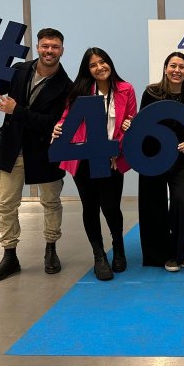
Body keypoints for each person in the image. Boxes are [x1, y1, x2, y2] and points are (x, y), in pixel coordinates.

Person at [0, 28, 72, 283]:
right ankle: (10, 255)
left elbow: (52, 123)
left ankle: (51, 249)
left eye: (54, 46)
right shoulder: (20, 70)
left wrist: (16, 110)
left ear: (62, 50)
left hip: (46, 152)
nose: (49, 51)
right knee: (6, 204)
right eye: (44, 46)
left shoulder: (67, 87)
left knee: (51, 202)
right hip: (12, 147)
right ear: (38, 47)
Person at [52, 48, 136, 281]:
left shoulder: (126, 89)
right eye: (93, 65)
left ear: (110, 63)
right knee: (90, 206)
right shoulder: (79, 91)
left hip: (112, 158)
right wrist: (59, 126)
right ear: (87, 70)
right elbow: (67, 118)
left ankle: (118, 248)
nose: (99, 67)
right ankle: (99, 255)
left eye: (103, 62)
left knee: (110, 206)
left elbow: (130, 121)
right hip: (84, 157)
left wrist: (115, 149)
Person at [135, 52, 184, 272]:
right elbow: (142, 123)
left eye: (182, 67)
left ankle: (178, 252)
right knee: (153, 204)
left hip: (181, 160)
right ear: (165, 68)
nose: (177, 70)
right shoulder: (151, 93)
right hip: (153, 157)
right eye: (173, 65)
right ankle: (157, 253)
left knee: (181, 201)